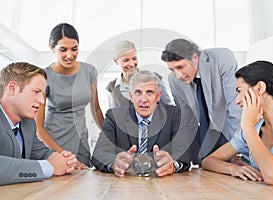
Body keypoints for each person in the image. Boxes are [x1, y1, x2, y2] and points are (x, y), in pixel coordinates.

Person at [202, 61, 273, 185]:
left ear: (260, 88)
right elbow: (208, 161)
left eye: (239, 91)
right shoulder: (254, 128)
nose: (237, 101)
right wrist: (233, 169)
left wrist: (248, 128)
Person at [92, 70, 191, 177]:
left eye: (149, 92)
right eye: (138, 92)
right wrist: (114, 163)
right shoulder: (114, 116)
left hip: (162, 183)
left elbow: (184, 155)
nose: (143, 99)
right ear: (131, 96)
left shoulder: (174, 115)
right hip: (125, 184)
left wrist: (173, 164)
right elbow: (99, 154)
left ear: (158, 97)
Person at [35, 23, 104, 169]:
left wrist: (110, 138)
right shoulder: (44, 76)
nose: (69, 55)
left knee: (82, 185)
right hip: (54, 142)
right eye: (63, 50)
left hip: (81, 140)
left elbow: (96, 110)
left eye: (74, 49)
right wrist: (64, 155)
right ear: (51, 47)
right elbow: (39, 128)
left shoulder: (89, 71)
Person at [161, 38, 241, 163]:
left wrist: (239, 149)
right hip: (206, 133)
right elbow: (186, 119)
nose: (178, 75)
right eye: (172, 69)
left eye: (181, 67)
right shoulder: (173, 80)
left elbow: (235, 106)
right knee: (207, 169)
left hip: (230, 127)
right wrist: (182, 158)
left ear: (195, 57)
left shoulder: (222, 59)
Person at [0, 62, 77, 185]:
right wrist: (47, 167)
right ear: (13, 88)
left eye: (43, 94)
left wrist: (64, 160)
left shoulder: (28, 123)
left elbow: (40, 152)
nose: (42, 101)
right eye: (36, 92)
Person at [106, 40, 173, 108]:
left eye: (134, 58)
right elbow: (113, 116)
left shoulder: (155, 78)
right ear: (116, 61)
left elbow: (169, 108)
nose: (132, 64)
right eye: (126, 60)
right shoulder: (112, 87)